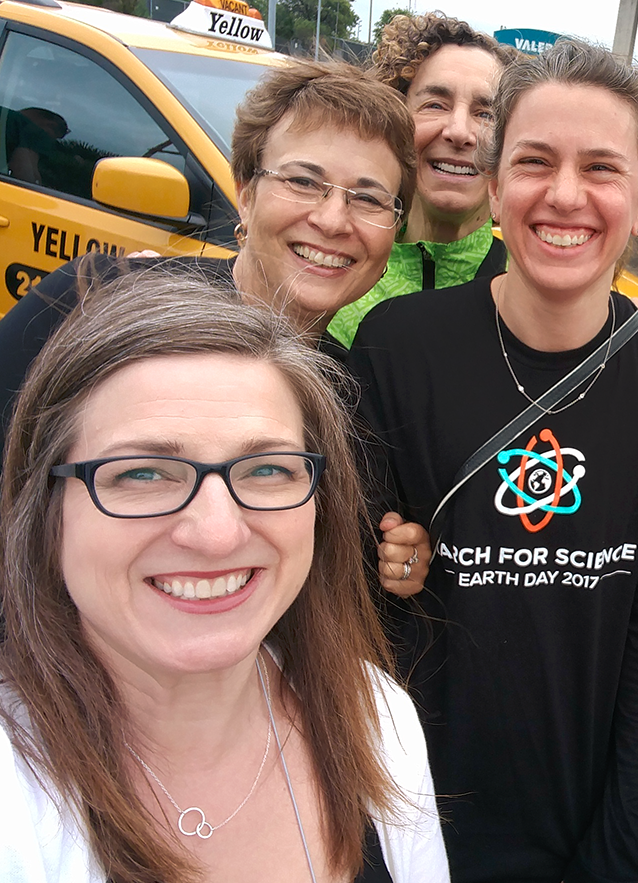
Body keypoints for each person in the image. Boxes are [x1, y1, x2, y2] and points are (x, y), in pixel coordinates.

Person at [349, 39, 638, 883]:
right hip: (400, 803)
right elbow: (353, 598)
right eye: (534, 162)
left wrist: (611, 850)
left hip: (569, 817)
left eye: (600, 168)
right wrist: (380, 559)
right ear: (492, 182)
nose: (563, 195)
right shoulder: (399, 347)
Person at [0, 271, 449, 883]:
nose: (217, 533)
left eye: (267, 468)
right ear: (44, 509)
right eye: (141, 474)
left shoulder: (378, 719)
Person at [0, 57, 424, 597]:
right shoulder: (94, 301)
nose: (333, 219)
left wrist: (401, 563)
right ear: (245, 191)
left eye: (367, 198)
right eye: (302, 181)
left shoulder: (354, 401)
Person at [326, 13, 516, 347]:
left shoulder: (537, 285)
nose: (459, 132)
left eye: (485, 114)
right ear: (394, 120)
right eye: (435, 104)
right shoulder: (328, 264)